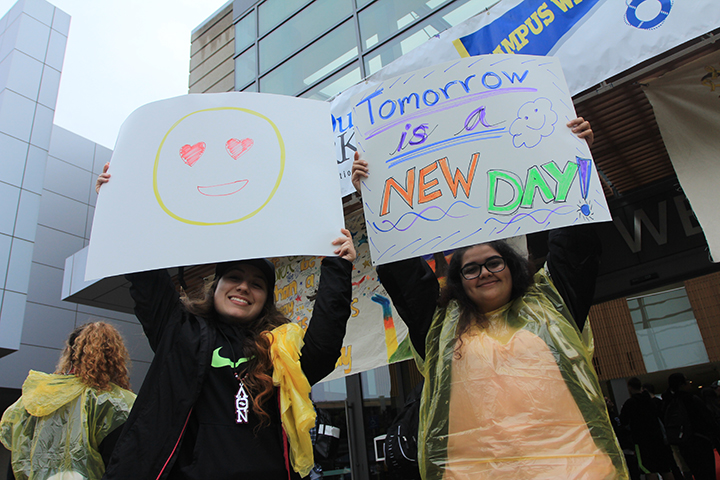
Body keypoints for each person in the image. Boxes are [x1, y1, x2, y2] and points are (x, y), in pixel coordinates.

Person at [352, 118, 628, 479]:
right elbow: (403, 273)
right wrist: (373, 198)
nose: (483, 271)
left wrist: (576, 156)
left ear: (514, 267)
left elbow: (577, 242)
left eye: (493, 262)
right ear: (458, 282)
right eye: (471, 268)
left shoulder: (553, 303)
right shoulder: (439, 327)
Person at [95, 169, 356, 479]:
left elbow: (325, 345)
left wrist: (339, 266)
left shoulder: (280, 351)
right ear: (215, 287)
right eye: (234, 277)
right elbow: (146, 278)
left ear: (266, 299)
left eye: (257, 284)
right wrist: (119, 205)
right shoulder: (179, 332)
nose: (244, 287)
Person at [0, 322, 136, 480]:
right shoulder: (117, 402)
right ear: (115, 357)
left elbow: (17, 459)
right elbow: (121, 466)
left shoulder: (34, 397)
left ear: (70, 353)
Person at [663, 372, 720, 480]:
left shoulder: (669, 402)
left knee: (697, 473)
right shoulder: (691, 399)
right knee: (708, 473)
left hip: (683, 443)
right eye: (687, 381)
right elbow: (708, 420)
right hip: (701, 441)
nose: (689, 384)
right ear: (682, 384)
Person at [620, 377, 676, 480]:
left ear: (630, 388)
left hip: (642, 441)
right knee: (665, 469)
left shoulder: (630, 403)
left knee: (649, 470)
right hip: (658, 438)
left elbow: (623, 421)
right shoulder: (651, 401)